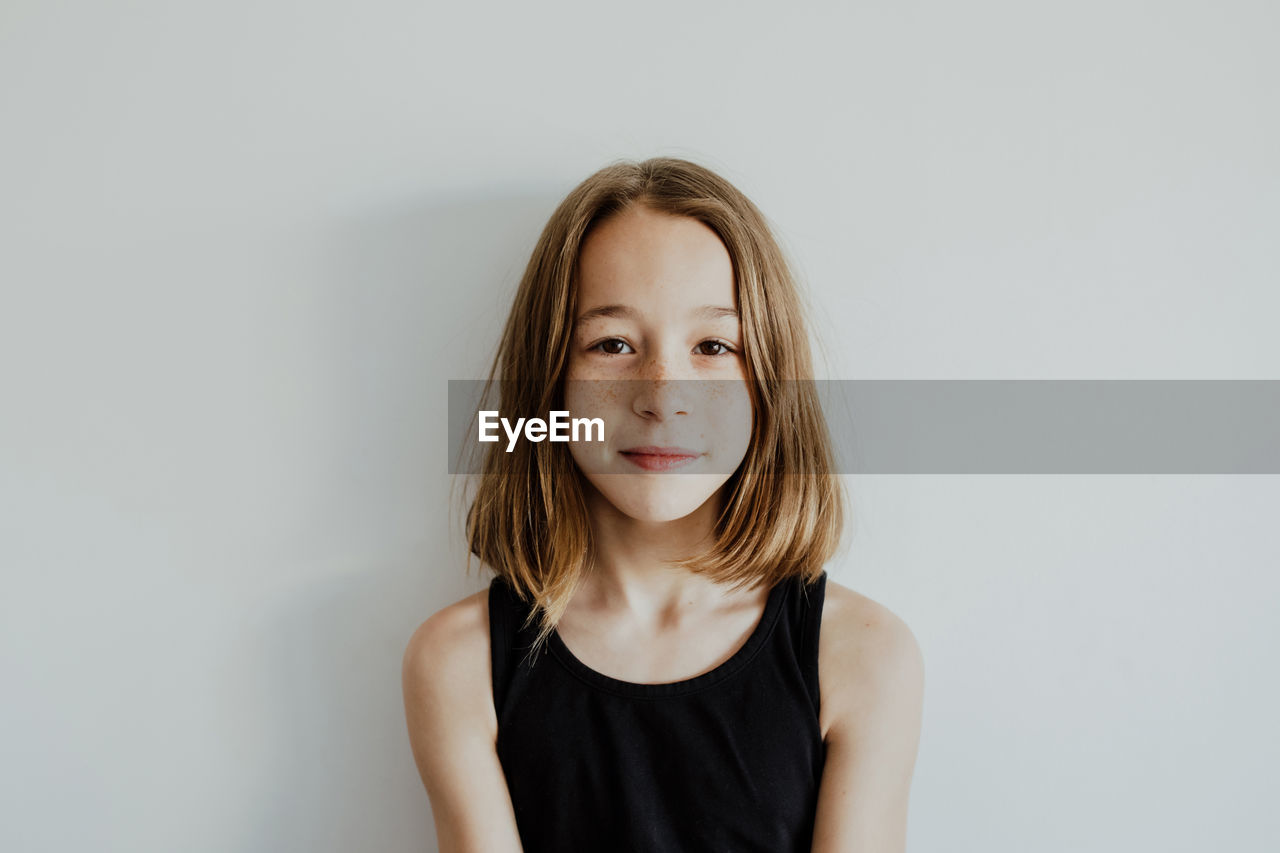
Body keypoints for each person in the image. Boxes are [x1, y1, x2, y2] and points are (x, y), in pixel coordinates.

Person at [402, 157, 924, 852]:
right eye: (612, 344)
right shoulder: (457, 662)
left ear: (767, 387)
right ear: (549, 389)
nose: (661, 393)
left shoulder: (864, 656)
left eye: (713, 346)